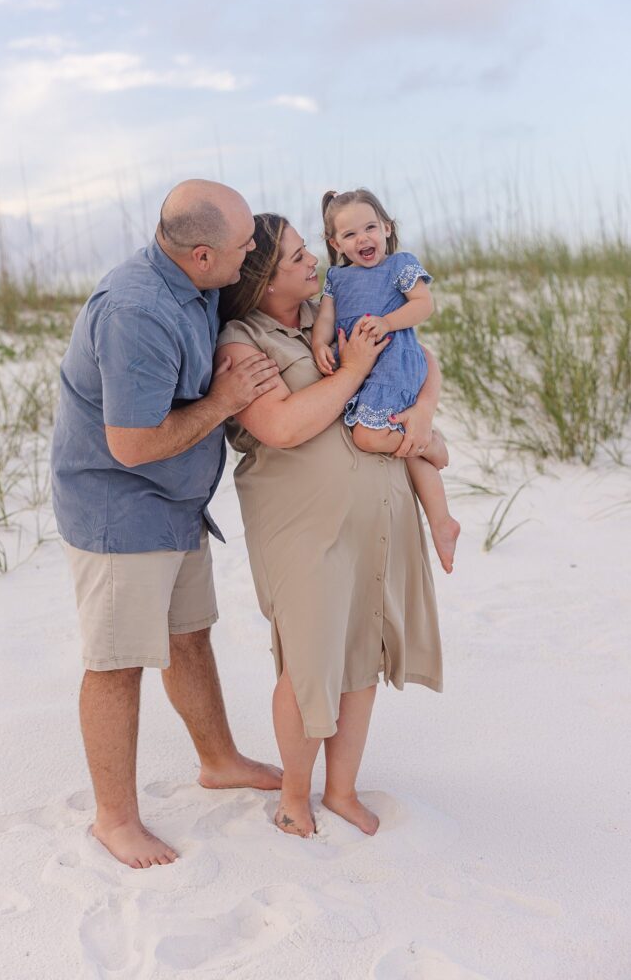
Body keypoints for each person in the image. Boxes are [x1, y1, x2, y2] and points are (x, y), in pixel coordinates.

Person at [50, 180, 283, 870]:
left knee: (189, 637)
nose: (253, 255)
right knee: (117, 664)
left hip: (176, 501)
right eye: (244, 247)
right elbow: (132, 444)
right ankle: (113, 821)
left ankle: (218, 760)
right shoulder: (136, 311)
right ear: (202, 253)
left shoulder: (202, 280)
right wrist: (226, 400)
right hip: (119, 507)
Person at [216, 213, 444, 839]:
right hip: (303, 525)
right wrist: (348, 373)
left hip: (376, 512)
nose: (312, 261)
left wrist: (422, 415)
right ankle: (295, 795)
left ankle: (341, 790)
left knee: (360, 653)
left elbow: (417, 355)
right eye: (294, 258)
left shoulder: (337, 304)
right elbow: (282, 427)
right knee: (309, 659)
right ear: (263, 281)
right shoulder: (242, 340)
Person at [312, 188, 460, 573]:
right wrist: (318, 343)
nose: (363, 239)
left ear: (387, 228)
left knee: (368, 434)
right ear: (335, 243)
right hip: (363, 368)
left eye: (370, 228)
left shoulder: (399, 266)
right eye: (349, 235)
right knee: (403, 439)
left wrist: (388, 322)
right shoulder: (337, 279)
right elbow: (326, 319)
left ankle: (431, 443)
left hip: (395, 360)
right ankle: (442, 522)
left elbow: (424, 304)